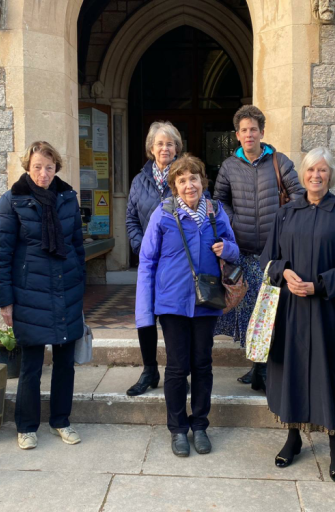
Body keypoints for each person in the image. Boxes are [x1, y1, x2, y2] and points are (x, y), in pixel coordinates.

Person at [260, 147, 335, 481]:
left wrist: (319, 285)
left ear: (331, 175)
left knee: (326, 372)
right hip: (289, 310)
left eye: (322, 171)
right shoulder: (286, 213)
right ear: (302, 175)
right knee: (290, 371)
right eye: (310, 170)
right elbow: (268, 259)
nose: (315, 176)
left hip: (324, 309)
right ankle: (293, 439)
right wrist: (284, 272)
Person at [136, 153, 239, 457]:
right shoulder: (163, 214)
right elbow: (146, 262)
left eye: (193, 178)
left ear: (202, 181)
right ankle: (178, 429)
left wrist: (227, 248)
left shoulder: (215, 212)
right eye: (182, 180)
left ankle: (201, 425)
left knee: (203, 365)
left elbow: (234, 250)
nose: (189, 184)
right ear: (174, 186)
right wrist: (145, 311)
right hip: (172, 304)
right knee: (178, 368)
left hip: (206, 301)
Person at [0, 141, 85, 450]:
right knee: (31, 364)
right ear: (27, 168)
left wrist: (79, 284)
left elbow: (76, 245)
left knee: (65, 363)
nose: (43, 173)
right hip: (30, 293)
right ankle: (27, 426)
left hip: (65, 290)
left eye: (48, 167)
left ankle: (61, 420)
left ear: (56, 167)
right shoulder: (13, 200)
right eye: (37, 167)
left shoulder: (68, 198)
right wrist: (5, 300)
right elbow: (2, 255)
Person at [213, 105, 303, 391]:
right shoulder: (229, 166)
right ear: (237, 135)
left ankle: (264, 369)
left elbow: (298, 196)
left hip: (273, 252)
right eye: (244, 130)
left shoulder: (279, 161)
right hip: (244, 251)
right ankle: (257, 366)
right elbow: (219, 201)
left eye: (254, 129)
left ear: (262, 132)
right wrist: (235, 220)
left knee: (270, 311)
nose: (249, 134)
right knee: (251, 310)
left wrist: (282, 224)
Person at [125, 121, 183, 396]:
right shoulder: (139, 181)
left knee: (174, 319)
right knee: (145, 316)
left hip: (176, 264)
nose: (164, 148)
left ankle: (177, 371)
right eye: (159, 143)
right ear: (151, 148)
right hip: (149, 263)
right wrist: (140, 248)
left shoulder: (186, 175)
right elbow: (131, 219)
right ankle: (150, 370)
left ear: (176, 148)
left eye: (169, 143)